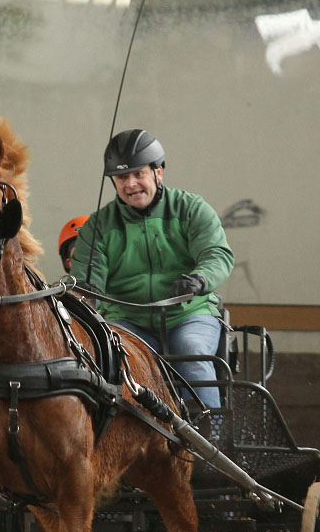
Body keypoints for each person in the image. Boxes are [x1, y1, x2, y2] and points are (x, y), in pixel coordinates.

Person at [70, 129, 234, 413]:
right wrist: (87, 291)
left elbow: (216, 254)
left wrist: (199, 279)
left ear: (159, 172)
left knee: (191, 350)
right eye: (122, 178)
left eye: (138, 174)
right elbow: (87, 273)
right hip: (127, 319)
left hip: (189, 313)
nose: (130, 184)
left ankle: (210, 440)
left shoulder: (191, 208)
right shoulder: (99, 225)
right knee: (117, 358)